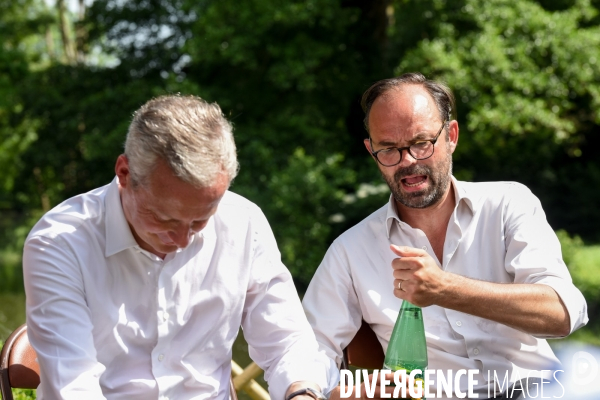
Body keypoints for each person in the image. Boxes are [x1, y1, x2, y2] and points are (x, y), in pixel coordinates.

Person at [23, 95, 333, 400]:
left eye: (201, 220)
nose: (183, 240)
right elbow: (74, 388)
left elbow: (287, 340)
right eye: (164, 218)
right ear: (125, 174)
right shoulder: (60, 243)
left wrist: (301, 391)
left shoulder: (244, 222)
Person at [302, 73, 588, 399]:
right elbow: (308, 353)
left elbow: (563, 314)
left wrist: (445, 289)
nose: (407, 161)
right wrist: (345, 393)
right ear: (372, 151)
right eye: (389, 149)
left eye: (421, 143)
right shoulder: (349, 252)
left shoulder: (509, 204)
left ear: (451, 136)